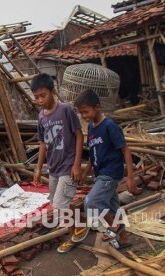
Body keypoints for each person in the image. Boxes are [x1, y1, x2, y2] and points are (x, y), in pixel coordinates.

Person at [58, 89, 138, 253]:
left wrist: (130, 177)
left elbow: (126, 150)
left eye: (86, 111)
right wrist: (86, 173)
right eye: (81, 113)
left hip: (111, 172)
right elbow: (93, 156)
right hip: (101, 173)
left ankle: (115, 226)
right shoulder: (91, 128)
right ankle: (124, 238)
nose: (84, 116)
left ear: (97, 107)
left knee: (91, 203)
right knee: (111, 207)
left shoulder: (109, 126)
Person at [31, 73, 83, 223]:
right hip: (53, 168)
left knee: (60, 205)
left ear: (52, 92)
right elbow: (43, 143)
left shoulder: (65, 110)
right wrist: (39, 169)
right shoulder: (41, 117)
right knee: (55, 202)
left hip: (68, 166)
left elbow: (79, 135)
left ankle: (74, 232)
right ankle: (80, 222)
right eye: (36, 97)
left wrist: (77, 164)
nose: (40, 100)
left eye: (43, 95)